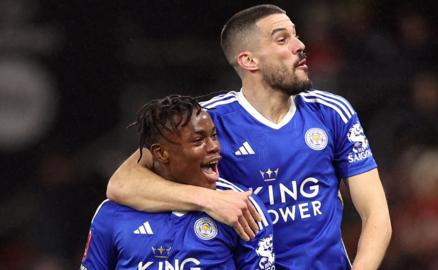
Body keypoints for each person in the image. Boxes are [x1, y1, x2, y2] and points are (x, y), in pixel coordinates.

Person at [107, 4, 392, 270]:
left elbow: (376, 215)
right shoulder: (206, 120)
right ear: (248, 60)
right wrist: (208, 200)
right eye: (282, 39)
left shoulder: (332, 112)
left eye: (296, 36)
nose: (300, 46)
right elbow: (122, 184)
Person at [81, 96, 274, 270]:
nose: (214, 146)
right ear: (161, 153)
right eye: (198, 140)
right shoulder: (112, 213)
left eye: (214, 136)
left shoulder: (242, 206)